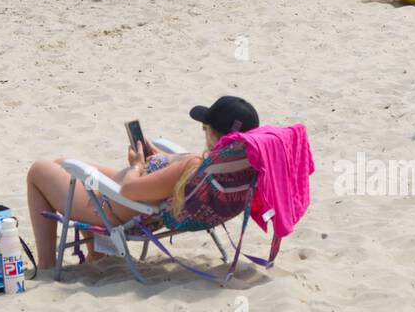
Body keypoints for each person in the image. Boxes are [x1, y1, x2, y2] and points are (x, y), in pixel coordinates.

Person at [25, 96, 261, 271]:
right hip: (147, 202)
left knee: (39, 170)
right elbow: (174, 178)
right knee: (60, 163)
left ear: (216, 134)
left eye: (205, 128)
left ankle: (45, 265)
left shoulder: (193, 164)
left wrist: (138, 164)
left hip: (114, 207)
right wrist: (158, 157)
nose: (203, 131)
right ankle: (98, 260)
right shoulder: (234, 166)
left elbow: (129, 189)